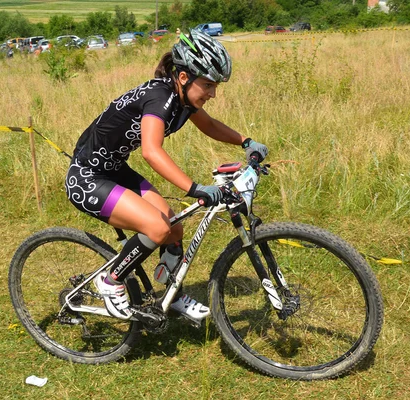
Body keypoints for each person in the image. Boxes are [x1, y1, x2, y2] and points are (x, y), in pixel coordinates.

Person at [64, 29, 268, 323]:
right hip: (87, 177)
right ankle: (111, 281)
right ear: (184, 77)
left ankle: (170, 295)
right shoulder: (160, 97)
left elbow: (209, 125)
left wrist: (245, 141)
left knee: (173, 229)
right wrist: (194, 187)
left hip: (113, 169)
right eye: (208, 85)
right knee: (157, 229)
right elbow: (151, 151)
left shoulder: (183, 100)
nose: (213, 93)